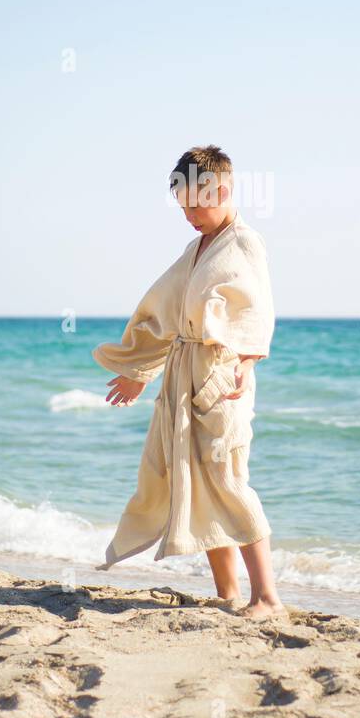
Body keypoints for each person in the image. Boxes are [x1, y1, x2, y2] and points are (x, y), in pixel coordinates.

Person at [91, 145, 285, 620]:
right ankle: (228, 595)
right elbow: (167, 313)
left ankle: (268, 598)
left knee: (227, 478)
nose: (190, 215)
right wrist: (141, 371)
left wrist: (248, 361)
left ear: (223, 190)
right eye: (183, 207)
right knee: (194, 482)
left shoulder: (244, 243)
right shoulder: (194, 249)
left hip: (223, 377)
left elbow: (257, 310)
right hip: (184, 374)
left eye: (198, 204)